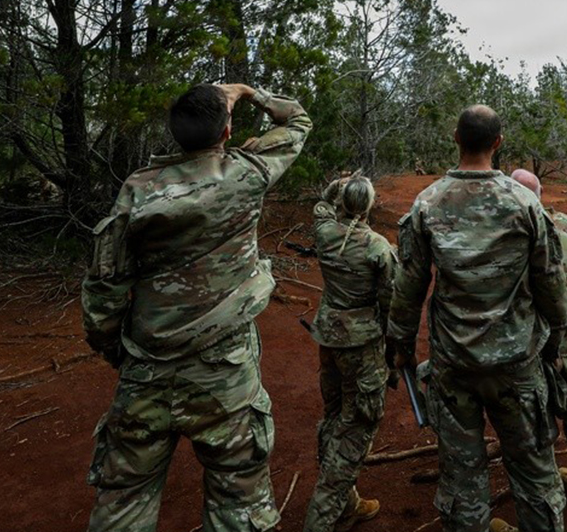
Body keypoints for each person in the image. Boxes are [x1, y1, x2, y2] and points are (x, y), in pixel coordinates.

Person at [82, 83, 311, 532]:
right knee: (238, 505)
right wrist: (248, 93)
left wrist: (121, 352)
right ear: (227, 130)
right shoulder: (247, 173)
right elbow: (298, 121)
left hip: (146, 369)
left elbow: (104, 291)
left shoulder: (137, 190)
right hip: (225, 374)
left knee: (123, 503)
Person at [388, 105, 567, 532]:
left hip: (454, 365)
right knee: (534, 474)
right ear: (498, 143)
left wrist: (399, 344)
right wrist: (556, 342)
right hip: (517, 364)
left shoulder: (428, 202)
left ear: (455, 137)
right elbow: (551, 285)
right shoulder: (525, 202)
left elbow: (409, 286)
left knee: (463, 478)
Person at [508, 169, 567, 517]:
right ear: (542, 192)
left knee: (535, 420)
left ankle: (545, 506)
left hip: (536, 343)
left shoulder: (511, 234)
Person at [303, 174, 397, 532]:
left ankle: (348, 503)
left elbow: (322, 205)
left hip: (329, 338)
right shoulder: (376, 246)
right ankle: (323, 514)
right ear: (370, 205)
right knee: (358, 422)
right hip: (362, 344)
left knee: (334, 414)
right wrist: (391, 349)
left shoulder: (325, 232)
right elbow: (390, 304)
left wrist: (334, 187)